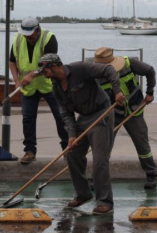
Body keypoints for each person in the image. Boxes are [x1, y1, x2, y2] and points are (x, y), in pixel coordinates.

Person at [38, 53, 125, 215]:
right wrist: (71, 134)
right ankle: (83, 193)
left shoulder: (80, 68)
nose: (45, 75)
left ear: (55, 67)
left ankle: (104, 201)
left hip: (101, 114)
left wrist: (117, 91)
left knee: (100, 160)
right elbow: (66, 113)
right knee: (72, 154)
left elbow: (109, 70)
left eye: (45, 71)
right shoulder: (56, 87)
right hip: (83, 118)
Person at [93, 47, 157, 189]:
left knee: (142, 144)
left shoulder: (129, 64)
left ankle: (151, 175)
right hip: (112, 115)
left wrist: (150, 92)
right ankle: (98, 179)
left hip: (135, 110)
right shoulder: (96, 76)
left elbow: (150, 71)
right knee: (104, 147)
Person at [10, 16, 69, 164]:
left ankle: (68, 150)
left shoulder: (49, 38)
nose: (28, 38)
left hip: (49, 84)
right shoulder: (17, 39)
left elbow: (49, 63)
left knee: (61, 116)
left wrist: (32, 75)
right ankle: (29, 151)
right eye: (25, 35)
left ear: (37, 30)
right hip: (28, 87)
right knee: (28, 118)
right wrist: (17, 80)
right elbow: (12, 61)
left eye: (30, 35)